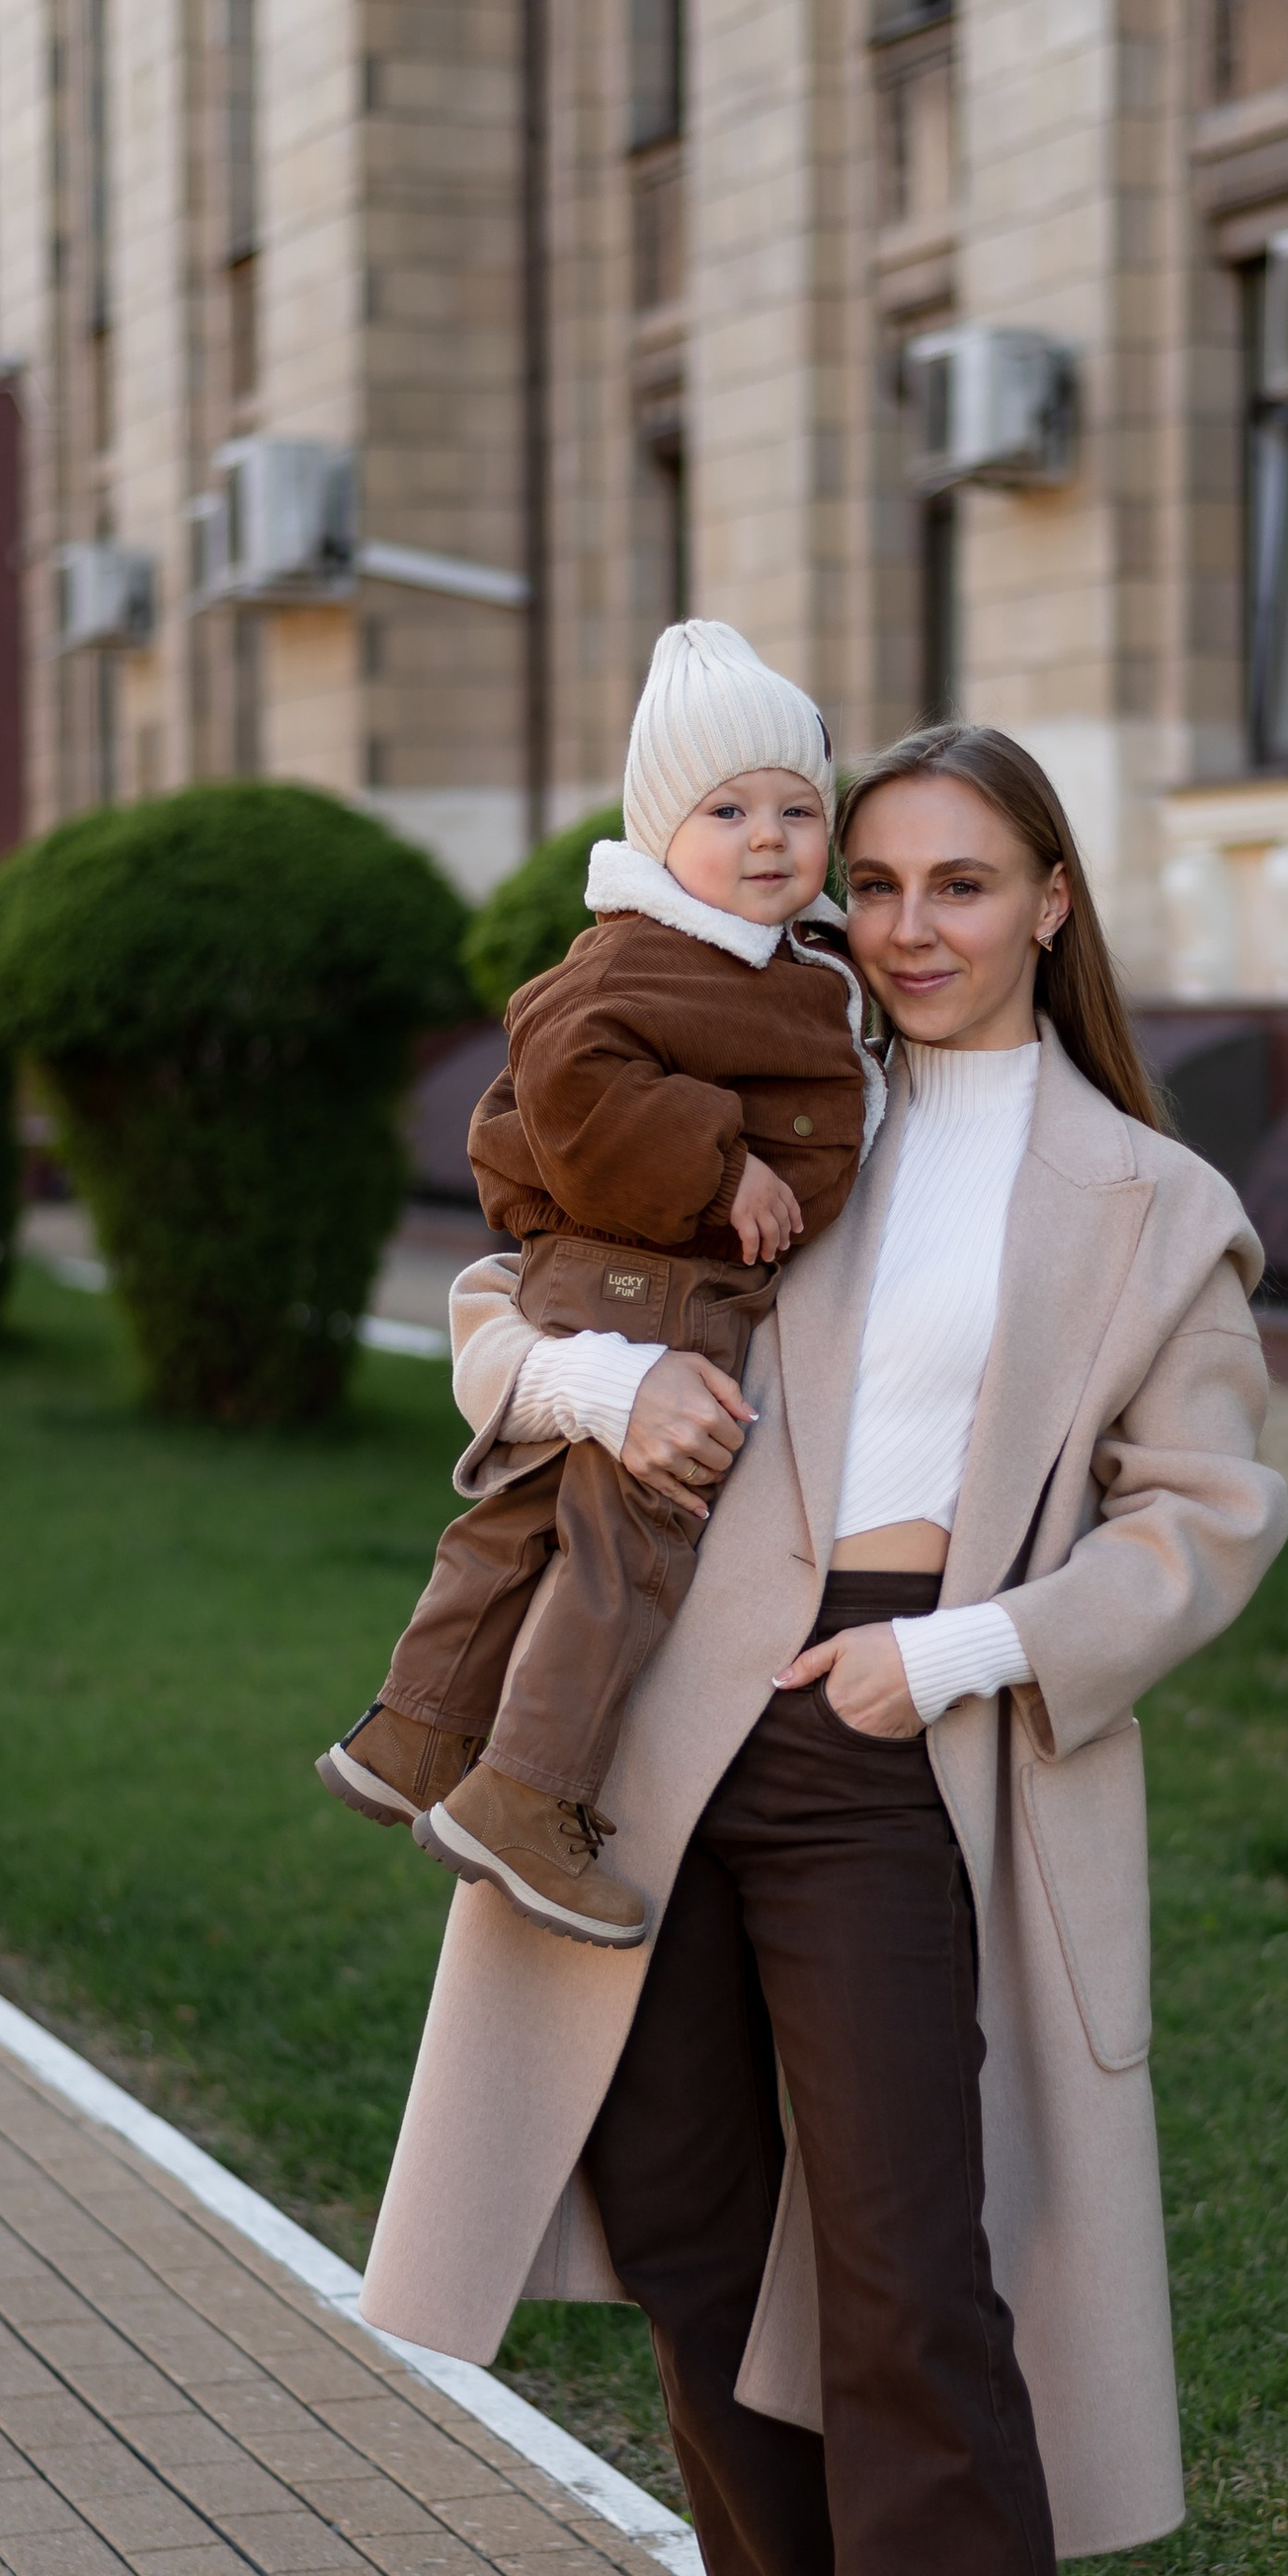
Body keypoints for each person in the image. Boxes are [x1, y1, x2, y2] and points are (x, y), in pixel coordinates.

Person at [361, 720, 1288, 2576]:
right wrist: (579, 1379)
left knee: (906, 2304)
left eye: (962, 884)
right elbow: (497, 1289)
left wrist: (959, 1650)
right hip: (655, 1740)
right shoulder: (777, 1086)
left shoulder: (1143, 1198)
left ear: (1053, 904)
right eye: (871, 882)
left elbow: (1205, 1517)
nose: (906, 927)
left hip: (902, 1755)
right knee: (680, 2240)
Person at [315, 622, 879, 1947]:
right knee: (631, 1543)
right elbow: (567, 1074)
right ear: (656, 828)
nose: (768, 838)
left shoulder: (765, 952)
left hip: (599, 1273)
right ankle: (526, 1791)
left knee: (526, 1523)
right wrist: (721, 1162)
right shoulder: (651, 950)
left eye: (800, 809)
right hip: (658, 1285)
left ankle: (414, 1734)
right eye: (726, 807)